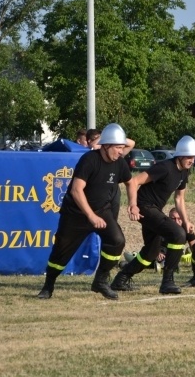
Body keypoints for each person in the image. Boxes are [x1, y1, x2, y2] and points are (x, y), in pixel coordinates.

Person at [37, 123, 136, 300]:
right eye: (118, 147)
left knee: (117, 241)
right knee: (61, 253)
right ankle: (48, 285)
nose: (122, 151)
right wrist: (91, 216)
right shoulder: (90, 160)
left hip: (102, 211)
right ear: (106, 146)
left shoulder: (119, 163)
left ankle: (100, 281)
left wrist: (133, 204)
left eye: (122, 147)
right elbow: (76, 190)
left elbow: (130, 182)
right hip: (76, 214)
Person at [111, 135, 195, 295]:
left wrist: (186, 221)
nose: (192, 161)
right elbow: (134, 181)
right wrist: (133, 206)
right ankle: (167, 282)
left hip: (155, 209)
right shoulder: (165, 167)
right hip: (144, 206)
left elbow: (179, 199)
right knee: (178, 234)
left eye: (194, 157)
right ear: (180, 155)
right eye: (189, 157)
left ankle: (121, 279)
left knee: (151, 252)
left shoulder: (184, 172)